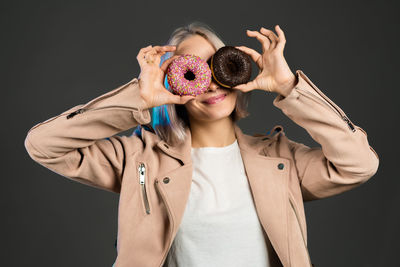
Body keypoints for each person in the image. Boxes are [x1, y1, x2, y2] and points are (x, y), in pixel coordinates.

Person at [24, 21, 379, 267]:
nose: (210, 83)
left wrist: (290, 88)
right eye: (193, 72)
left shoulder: (281, 160)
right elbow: (43, 144)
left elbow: (360, 164)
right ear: (174, 83)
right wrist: (140, 97)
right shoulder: (138, 158)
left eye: (217, 66)